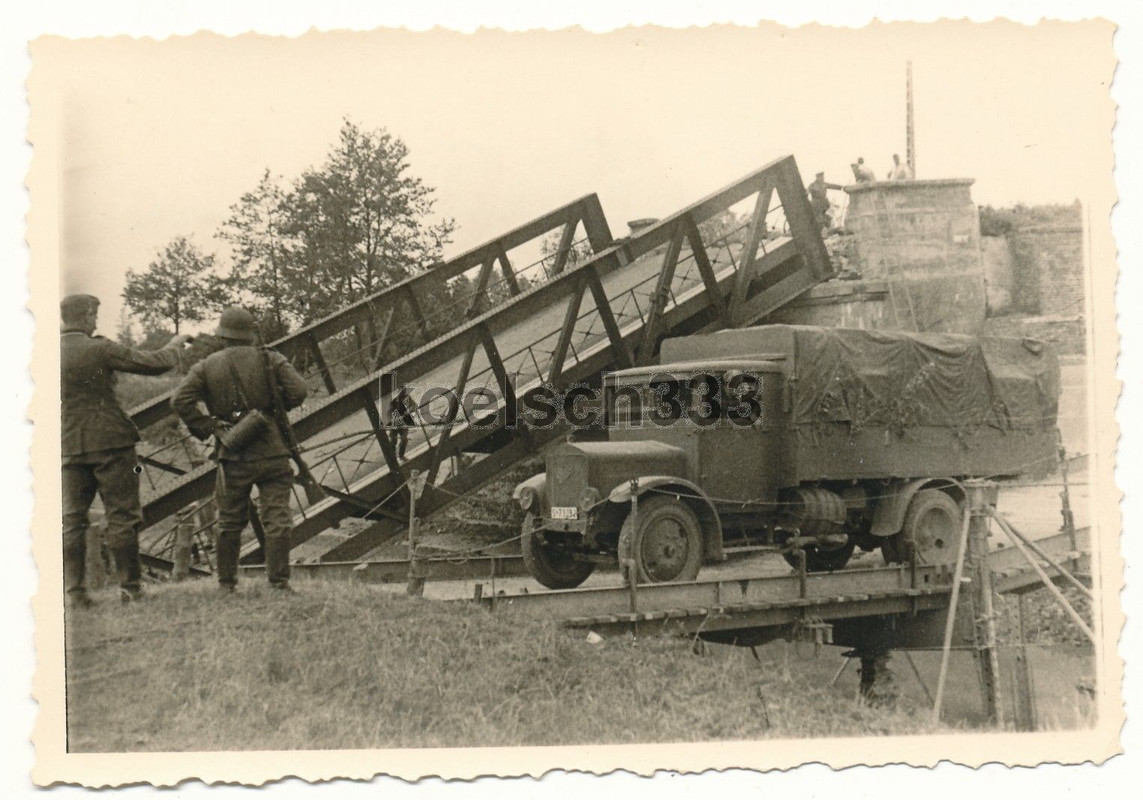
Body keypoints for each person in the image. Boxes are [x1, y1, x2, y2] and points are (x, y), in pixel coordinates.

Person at [60, 293, 190, 607]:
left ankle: (75, 594)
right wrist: (176, 344)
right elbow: (153, 364)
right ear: (88, 314)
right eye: (94, 315)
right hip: (111, 442)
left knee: (72, 520)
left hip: (68, 443)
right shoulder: (100, 348)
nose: (95, 321)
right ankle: (131, 589)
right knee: (122, 516)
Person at [172, 308, 308, 593]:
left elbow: (179, 400)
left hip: (233, 452)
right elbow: (298, 391)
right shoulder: (271, 358)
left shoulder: (207, 365)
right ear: (250, 333)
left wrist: (209, 425)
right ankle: (279, 583)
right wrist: (270, 410)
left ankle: (226, 585)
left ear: (222, 335)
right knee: (278, 517)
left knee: (229, 520)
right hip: (272, 450)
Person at [387, 388, 417, 460]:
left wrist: (407, 411)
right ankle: (392, 457)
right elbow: (388, 412)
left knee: (404, 439)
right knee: (393, 440)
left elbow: (414, 406)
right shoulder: (390, 399)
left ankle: (401, 456)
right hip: (394, 422)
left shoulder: (405, 397)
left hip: (404, 421)